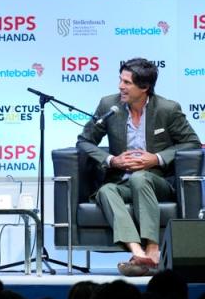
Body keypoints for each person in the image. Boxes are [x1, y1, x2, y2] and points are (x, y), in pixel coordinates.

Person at [77, 57, 201, 277]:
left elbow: (192, 142)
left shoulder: (167, 109)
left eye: (127, 83)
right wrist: (111, 160)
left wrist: (156, 158)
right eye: (120, 80)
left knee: (140, 177)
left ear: (144, 87)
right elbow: (84, 141)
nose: (120, 86)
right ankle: (138, 251)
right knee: (105, 191)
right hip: (119, 180)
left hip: (157, 181)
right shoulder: (109, 105)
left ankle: (153, 249)